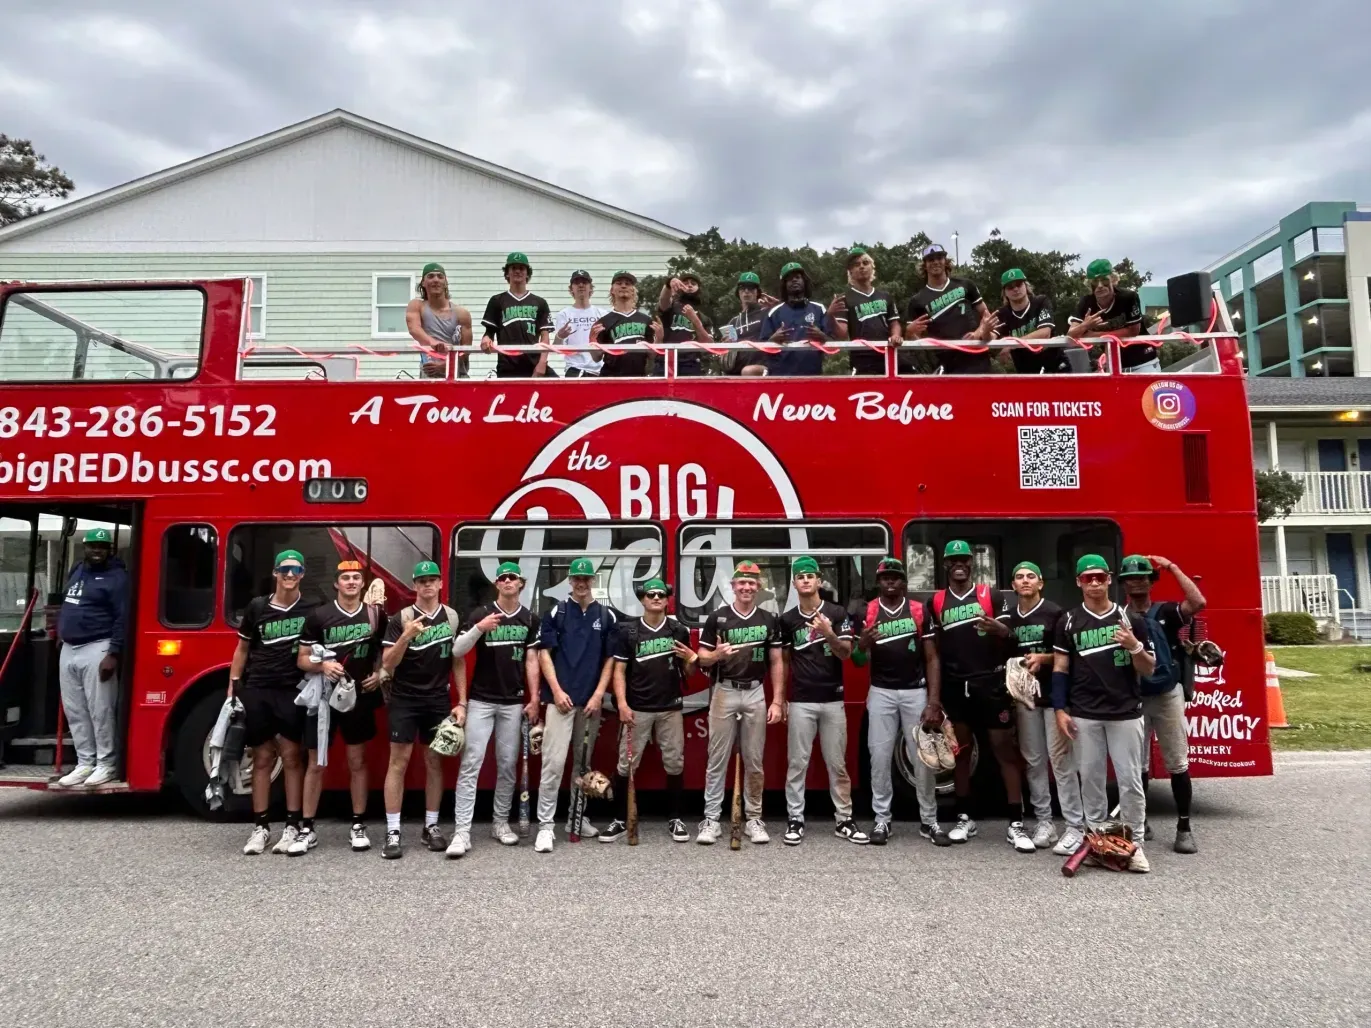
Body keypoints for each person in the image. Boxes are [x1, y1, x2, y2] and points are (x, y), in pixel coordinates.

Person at [1052, 554, 1156, 873]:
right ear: (1079, 582)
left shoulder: (1130, 619)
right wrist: (1059, 709)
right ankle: (1099, 842)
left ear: (1110, 579)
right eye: (1088, 578)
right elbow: (1060, 667)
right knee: (1092, 781)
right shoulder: (1068, 620)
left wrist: (1134, 646)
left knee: (1129, 782)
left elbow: (1149, 669)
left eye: (1100, 577)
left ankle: (1134, 844)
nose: (1094, 583)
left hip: (1125, 712)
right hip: (1084, 713)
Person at [929, 540, 1032, 851]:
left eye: (964, 559)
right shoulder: (937, 601)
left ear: (971, 563)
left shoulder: (992, 594)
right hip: (955, 686)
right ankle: (964, 818)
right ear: (945, 565)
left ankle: (1016, 823)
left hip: (990, 683)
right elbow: (934, 650)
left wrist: (998, 630)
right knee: (960, 753)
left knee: (1004, 751)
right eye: (953, 560)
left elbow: (1012, 636)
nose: (959, 564)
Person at [290, 560, 386, 855]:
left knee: (357, 761)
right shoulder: (319, 615)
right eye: (346, 578)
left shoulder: (375, 615)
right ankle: (307, 829)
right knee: (316, 763)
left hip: (359, 696)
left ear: (362, 584)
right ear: (336, 583)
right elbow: (302, 658)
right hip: (323, 699)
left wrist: (380, 673)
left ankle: (358, 824)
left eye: (357, 577)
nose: (351, 582)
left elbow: (384, 650)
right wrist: (323, 665)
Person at [449, 562, 541, 857]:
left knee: (506, 764)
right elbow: (457, 650)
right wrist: (479, 628)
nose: (507, 581)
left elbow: (531, 661)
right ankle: (461, 832)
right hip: (481, 701)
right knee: (471, 763)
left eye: (512, 577)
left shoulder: (529, 619)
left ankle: (500, 823)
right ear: (497, 585)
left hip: (513, 702)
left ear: (521, 584)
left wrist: (534, 698)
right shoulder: (481, 614)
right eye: (502, 578)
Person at [855, 556, 946, 846]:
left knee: (923, 759)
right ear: (878, 583)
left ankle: (929, 821)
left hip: (915, 692)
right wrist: (863, 644)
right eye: (885, 577)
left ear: (904, 582)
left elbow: (932, 657)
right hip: (881, 691)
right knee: (879, 758)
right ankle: (882, 819)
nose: (890, 581)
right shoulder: (868, 611)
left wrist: (933, 701)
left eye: (895, 577)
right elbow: (857, 660)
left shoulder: (918, 610)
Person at [1118, 553, 1206, 854]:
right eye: (1131, 577)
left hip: (1168, 694)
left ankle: (1184, 828)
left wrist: (1172, 566)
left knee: (1177, 763)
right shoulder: (1120, 617)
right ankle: (1142, 822)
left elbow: (1198, 604)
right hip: (1137, 695)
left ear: (1151, 581)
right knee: (1137, 765)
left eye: (1143, 576)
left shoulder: (1168, 611)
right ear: (1124, 584)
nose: (1138, 581)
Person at [378, 560, 465, 860]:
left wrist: (462, 701)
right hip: (404, 699)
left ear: (441, 584)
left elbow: (458, 660)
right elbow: (387, 664)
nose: (427, 585)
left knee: (434, 762)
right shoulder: (400, 618)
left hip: (437, 700)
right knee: (398, 763)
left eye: (432, 580)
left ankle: (431, 826)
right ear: (414, 586)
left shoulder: (451, 617)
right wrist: (406, 635)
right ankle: (392, 831)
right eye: (421, 580)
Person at [778, 556, 867, 845]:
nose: (805, 580)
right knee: (797, 763)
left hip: (833, 699)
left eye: (810, 576)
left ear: (819, 581)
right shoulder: (788, 619)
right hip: (801, 699)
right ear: (794, 583)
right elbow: (785, 661)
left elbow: (845, 654)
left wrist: (827, 632)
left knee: (837, 763)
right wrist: (783, 699)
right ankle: (795, 819)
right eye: (800, 577)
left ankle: (844, 820)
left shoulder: (837, 612)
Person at [694, 561, 784, 845]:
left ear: (759, 587)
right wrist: (717, 655)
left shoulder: (769, 619)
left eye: (752, 583)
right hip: (724, 691)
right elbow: (700, 658)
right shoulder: (718, 618)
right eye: (741, 583)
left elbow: (777, 661)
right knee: (716, 759)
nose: (746, 587)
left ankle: (754, 818)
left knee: (754, 759)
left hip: (756, 692)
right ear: (732, 587)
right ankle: (710, 819)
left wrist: (778, 701)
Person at [998, 561, 1084, 855]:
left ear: (1040, 583)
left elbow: (1067, 654)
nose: (1025, 581)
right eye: (1019, 577)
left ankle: (1074, 825)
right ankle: (1045, 822)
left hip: (1053, 697)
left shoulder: (1055, 613)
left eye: (1030, 576)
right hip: (1025, 699)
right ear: (1013, 584)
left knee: (1061, 762)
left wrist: (1042, 659)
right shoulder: (1009, 617)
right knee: (1033, 761)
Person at [533, 556, 617, 853]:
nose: (582, 583)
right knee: (553, 764)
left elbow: (610, 660)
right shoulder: (556, 612)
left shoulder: (605, 616)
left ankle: (576, 819)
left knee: (582, 766)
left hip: (590, 703)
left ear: (593, 580)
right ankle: (545, 826)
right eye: (577, 579)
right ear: (570, 581)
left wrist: (598, 695)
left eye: (586, 579)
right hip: (561, 702)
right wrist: (556, 691)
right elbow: (544, 655)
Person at [607, 577, 696, 843]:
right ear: (643, 599)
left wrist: (692, 659)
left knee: (674, 762)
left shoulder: (678, 630)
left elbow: (687, 671)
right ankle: (620, 819)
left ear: (667, 599)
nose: (656, 598)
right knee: (626, 763)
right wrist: (622, 704)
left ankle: (675, 818)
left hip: (670, 707)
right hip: (638, 708)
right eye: (650, 594)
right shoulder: (629, 632)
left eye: (660, 594)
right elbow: (619, 670)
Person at [233, 550, 309, 855]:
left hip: (292, 689)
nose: (290, 576)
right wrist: (234, 686)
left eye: (296, 570)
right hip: (259, 688)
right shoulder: (257, 607)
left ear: (303, 574)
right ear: (275, 573)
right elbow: (241, 649)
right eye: (284, 570)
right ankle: (260, 827)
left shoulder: (310, 608)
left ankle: (292, 826)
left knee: (291, 755)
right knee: (262, 757)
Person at [54, 527, 128, 789]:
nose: (96, 550)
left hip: (99, 646)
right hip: (69, 647)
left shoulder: (117, 577)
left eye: (102, 546)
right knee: (75, 710)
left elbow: (122, 617)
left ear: (109, 550)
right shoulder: (78, 569)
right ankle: (84, 762)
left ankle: (106, 763)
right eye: (92, 546)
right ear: (85, 547)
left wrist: (113, 653)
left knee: (101, 710)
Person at [905, 243, 996, 374]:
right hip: (946, 361)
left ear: (945, 261)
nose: (935, 262)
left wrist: (978, 332)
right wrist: (909, 332)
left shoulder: (965, 285)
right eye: (931, 259)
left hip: (975, 355)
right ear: (924, 265)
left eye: (939, 258)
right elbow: (915, 342)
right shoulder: (917, 301)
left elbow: (986, 315)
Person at [1067, 259, 1155, 372]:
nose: (1100, 286)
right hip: (1113, 365)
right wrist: (1085, 325)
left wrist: (1094, 335)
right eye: (1095, 281)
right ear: (1090, 284)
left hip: (1143, 360)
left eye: (1104, 280)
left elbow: (1133, 331)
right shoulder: (1086, 302)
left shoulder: (1128, 297)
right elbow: (1070, 335)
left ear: (1113, 280)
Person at [830, 246, 903, 376]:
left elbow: (894, 322)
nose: (861, 267)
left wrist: (895, 335)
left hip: (888, 353)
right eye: (856, 264)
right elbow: (842, 334)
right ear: (850, 271)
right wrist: (830, 315)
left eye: (865, 263)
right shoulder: (844, 298)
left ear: (872, 267)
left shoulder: (885, 296)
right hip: (862, 357)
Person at [755, 262, 834, 377]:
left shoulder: (819, 309)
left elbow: (833, 344)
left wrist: (822, 336)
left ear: (804, 281)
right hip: (780, 377)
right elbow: (762, 349)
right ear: (784, 285)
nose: (794, 281)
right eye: (789, 279)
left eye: (797, 277)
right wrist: (772, 340)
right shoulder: (774, 313)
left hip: (813, 376)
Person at [480, 251, 552, 378]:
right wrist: (486, 339)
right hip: (507, 365)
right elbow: (489, 332)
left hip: (533, 364)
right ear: (507, 273)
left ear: (527, 273)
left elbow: (545, 337)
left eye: (521, 268)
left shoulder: (540, 302)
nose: (517, 271)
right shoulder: (497, 301)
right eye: (513, 268)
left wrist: (542, 363)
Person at [992, 268, 1065, 374]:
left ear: (1026, 286)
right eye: (1010, 287)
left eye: (1019, 284)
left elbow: (1045, 333)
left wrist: (1012, 344)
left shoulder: (1041, 302)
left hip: (1055, 365)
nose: (1015, 289)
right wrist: (983, 330)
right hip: (1026, 370)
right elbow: (990, 336)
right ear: (1005, 293)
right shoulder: (1002, 313)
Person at [406, 262, 472, 379]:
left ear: (446, 283)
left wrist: (446, 365)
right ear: (423, 282)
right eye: (430, 276)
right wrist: (433, 342)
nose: (435, 280)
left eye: (440, 276)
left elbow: (466, 350)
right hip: (429, 372)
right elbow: (414, 328)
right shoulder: (417, 306)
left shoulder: (462, 313)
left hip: (456, 374)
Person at [589, 271, 658, 378]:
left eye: (627, 283)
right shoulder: (603, 322)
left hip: (639, 377)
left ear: (633, 291)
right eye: (619, 283)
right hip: (611, 378)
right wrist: (592, 341)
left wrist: (659, 337)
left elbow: (652, 356)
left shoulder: (646, 320)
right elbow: (596, 358)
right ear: (612, 290)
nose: (623, 286)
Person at [657, 270, 713, 377]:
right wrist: (669, 283)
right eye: (686, 283)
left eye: (693, 283)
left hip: (691, 364)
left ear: (699, 288)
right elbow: (663, 300)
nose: (689, 285)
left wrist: (695, 320)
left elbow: (708, 344)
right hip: (665, 361)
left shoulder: (704, 317)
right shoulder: (671, 307)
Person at [552, 270, 607, 378]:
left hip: (600, 370)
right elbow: (557, 348)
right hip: (575, 369)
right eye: (577, 283)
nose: (581, 285)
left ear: (591, 287)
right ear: (571, 288)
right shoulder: (564, 314)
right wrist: (560, 336)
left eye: (584, 282)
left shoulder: (603, 314)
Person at [722, 271, 776, 376]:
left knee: (748, 371)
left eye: (751, 288)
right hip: (737, 371)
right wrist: (726, 344)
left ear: (758, 293)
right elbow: (727, 352)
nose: (746, 292)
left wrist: (776, 306)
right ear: (738, 292)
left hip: (763, 368)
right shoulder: (733, 322)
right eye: (743, 288)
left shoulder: (767, 313)